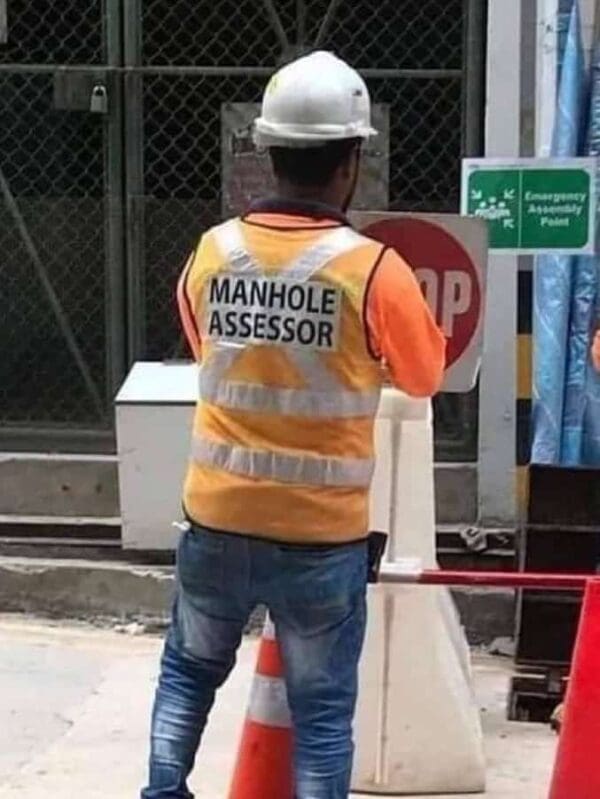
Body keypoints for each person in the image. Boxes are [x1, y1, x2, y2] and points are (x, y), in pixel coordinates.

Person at [141, 50, 446, 799]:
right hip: (320, 538)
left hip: (217, 519)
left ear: (269, 153)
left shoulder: (212, 252)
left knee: (187, 672)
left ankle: (163, 790)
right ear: (351, 163)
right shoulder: (374, 270)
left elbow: (206, 346)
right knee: (322, 715)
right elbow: (423, 376)